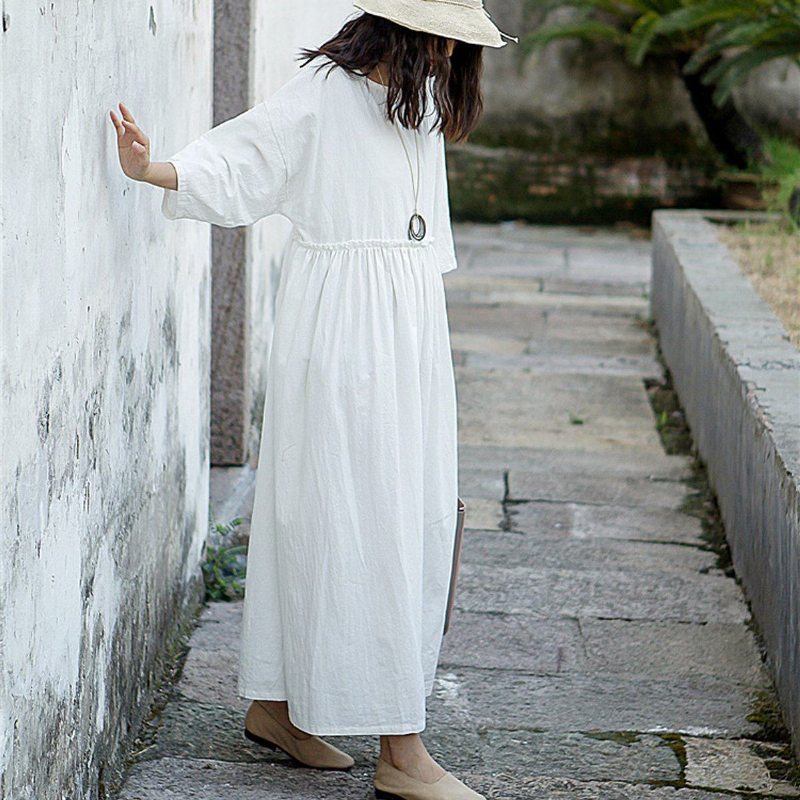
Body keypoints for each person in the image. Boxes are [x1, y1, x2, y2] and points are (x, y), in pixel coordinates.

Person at [110, 2, 516, 798]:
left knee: (393, 510)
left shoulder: (418, 101)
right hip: (341, 337)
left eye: (456, 45)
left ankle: (278, 703)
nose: (447, 54)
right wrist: (152, 168)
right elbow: (241, 158)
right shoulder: (323, 92)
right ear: (400, 29)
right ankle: (403, 754)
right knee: (365, 516)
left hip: (407, 332)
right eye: (441, 38)